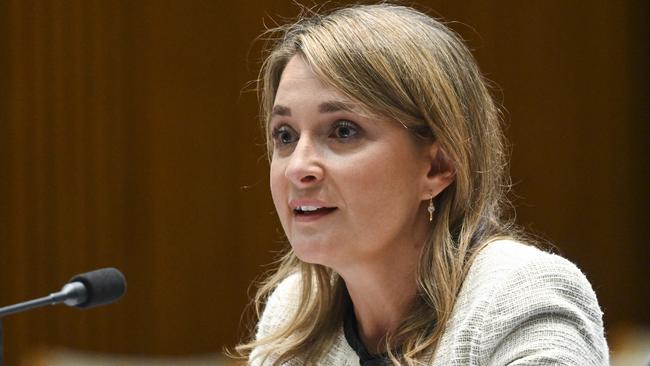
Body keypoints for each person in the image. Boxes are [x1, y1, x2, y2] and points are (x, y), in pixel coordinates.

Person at [235, 3, 609, 365]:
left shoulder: (521, 296)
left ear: (438, 166)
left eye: (343, 131)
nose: (297, 167)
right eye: (285, 136)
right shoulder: (293, 313)